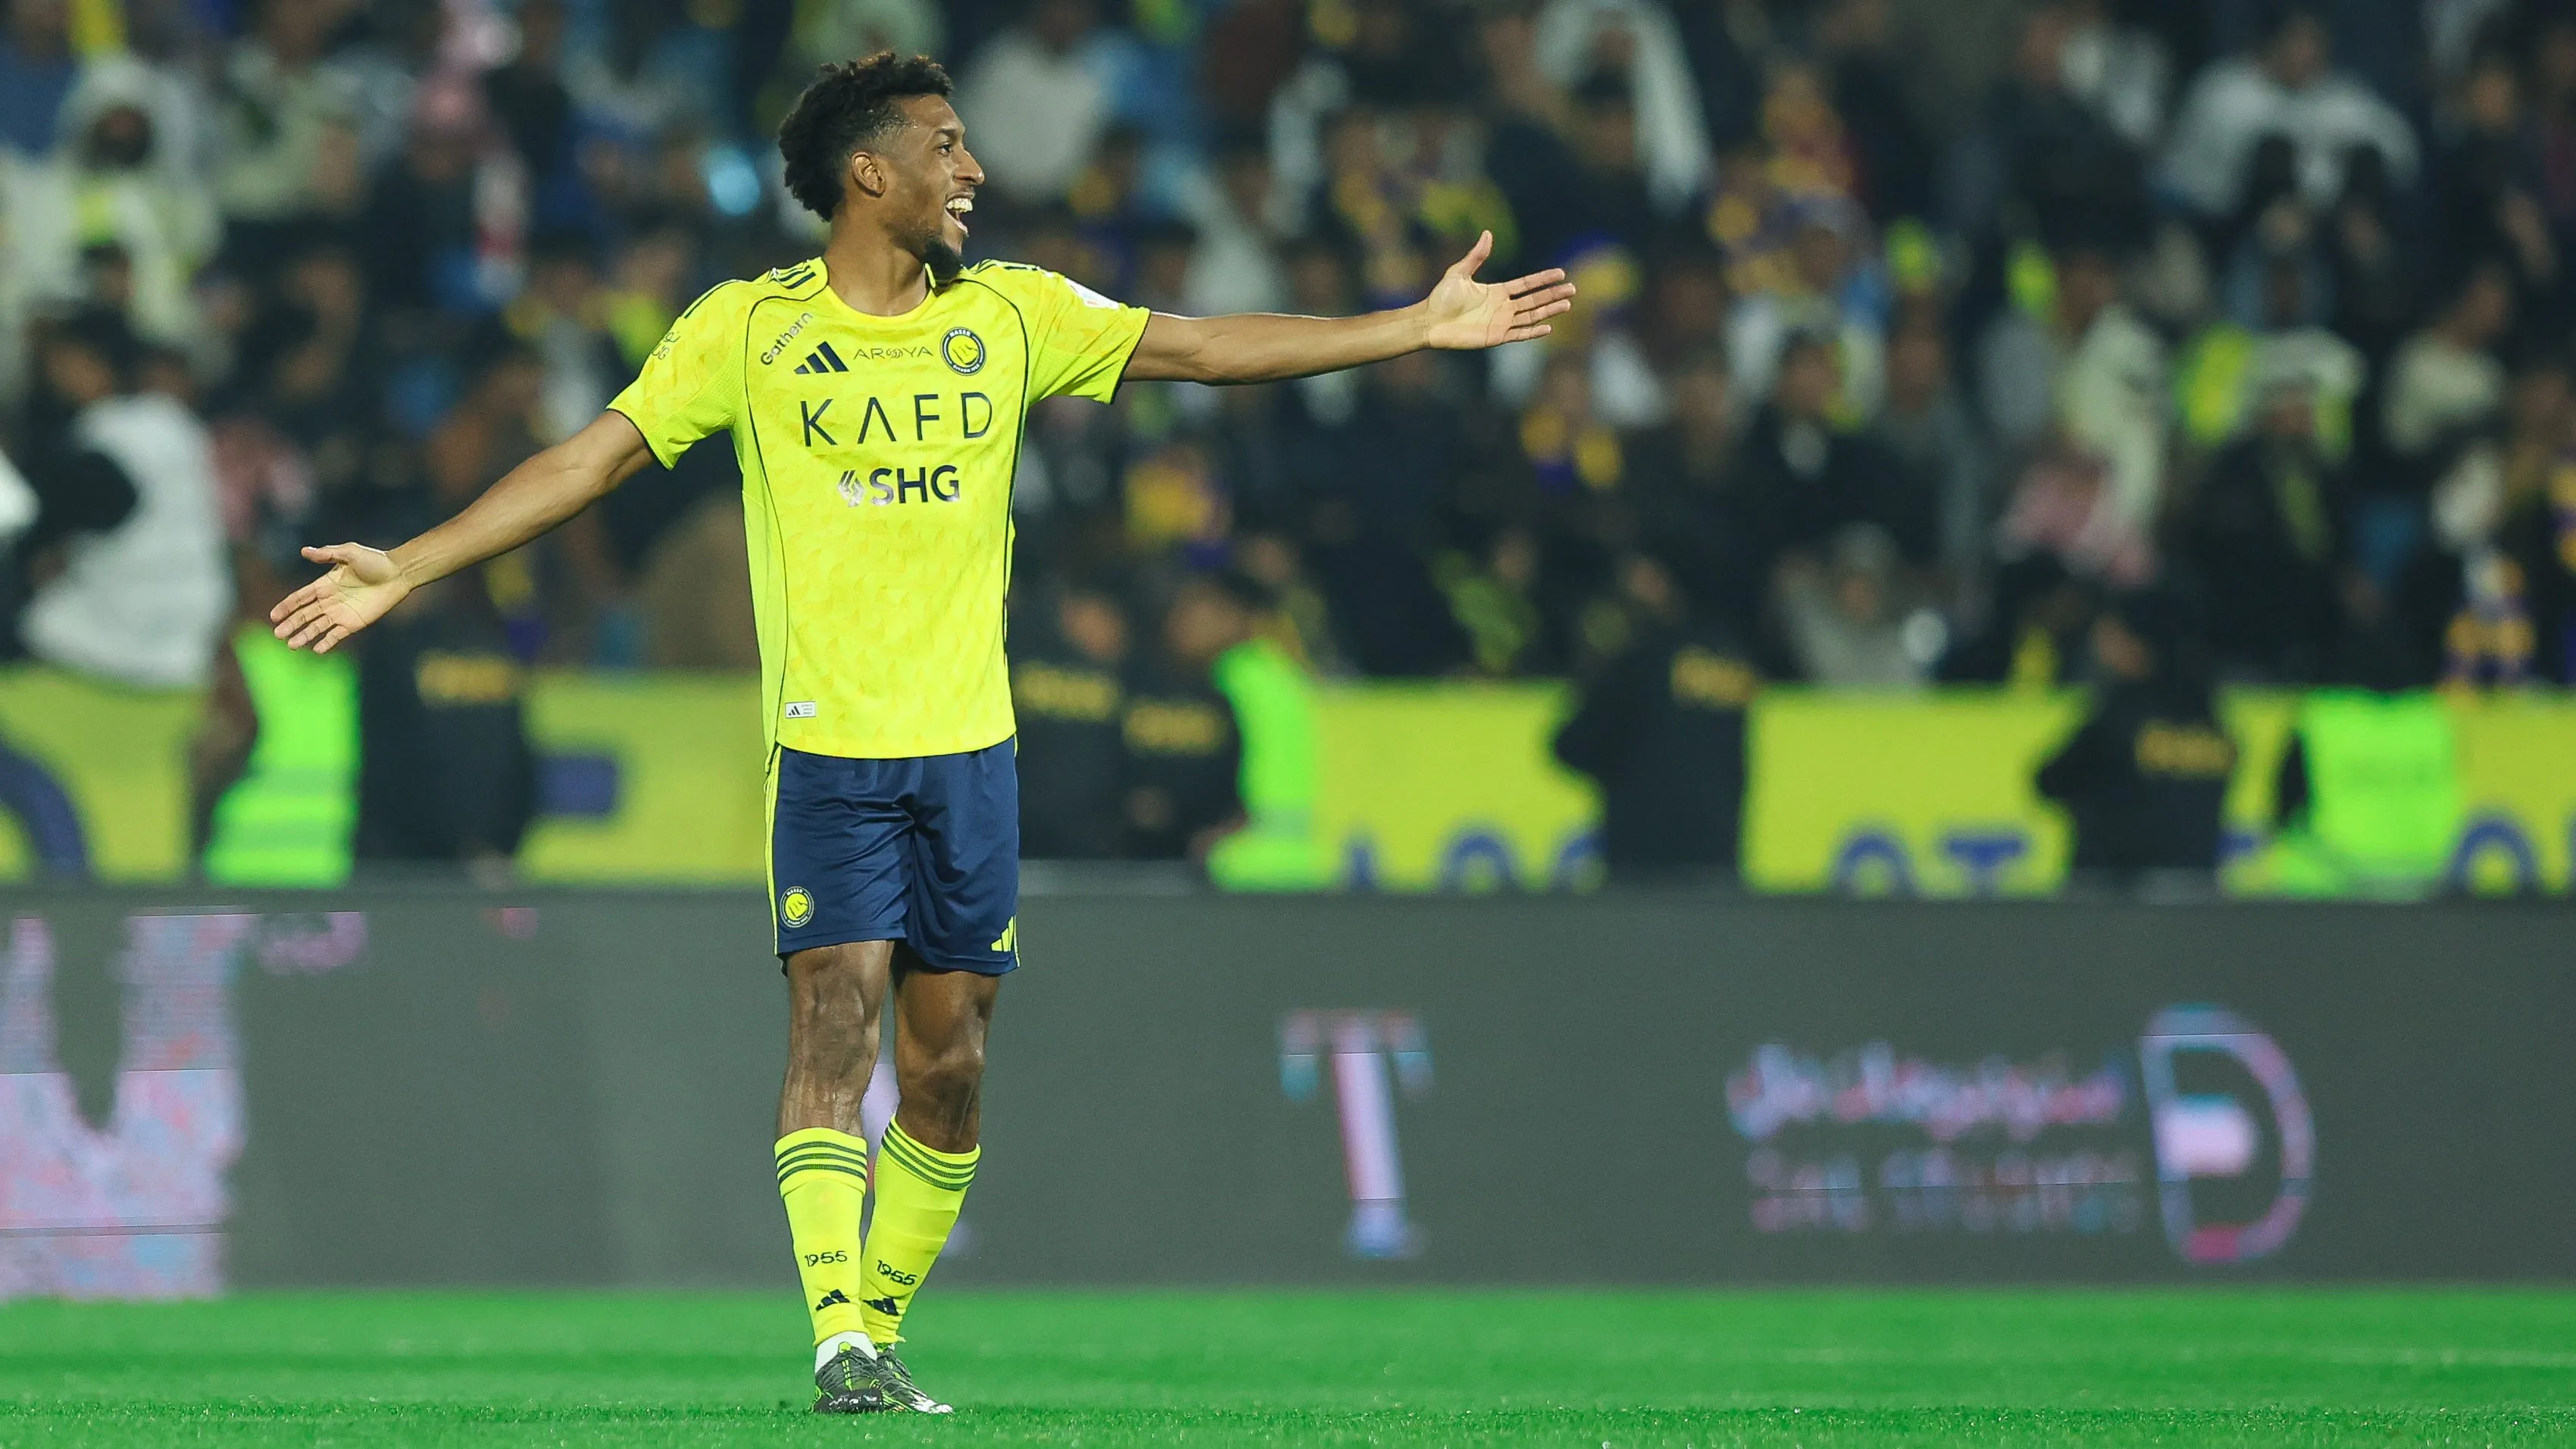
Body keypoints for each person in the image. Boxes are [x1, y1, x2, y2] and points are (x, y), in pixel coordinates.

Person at [264, 52, 1572, 1415]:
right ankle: (839, 1340)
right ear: (869, 171)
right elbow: (589, 460)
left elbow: (1198, 347)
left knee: (948, 1064)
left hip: (972, 751)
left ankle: (875, 1325)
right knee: (833, 1018)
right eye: (950, 146)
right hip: (830, 748)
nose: (976, 173)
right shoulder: (748, 331)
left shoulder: (1010, 316)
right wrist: (409, 567)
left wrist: (1408, 328)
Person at [2034, 589, 2236, 885]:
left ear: (2138, 644)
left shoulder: (2121, 716)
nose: (2100, 643)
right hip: (2196, 897)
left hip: (2118, 901)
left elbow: (2049, 779)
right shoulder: (2212, 721)